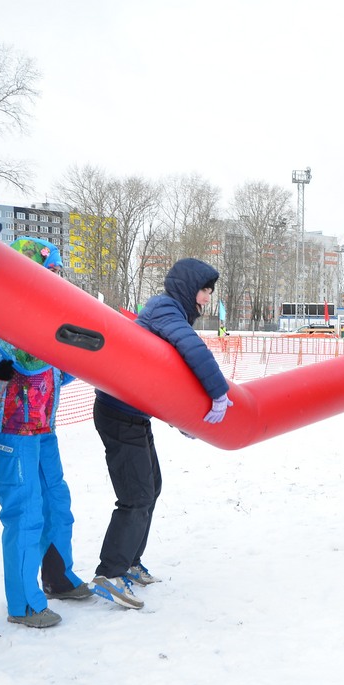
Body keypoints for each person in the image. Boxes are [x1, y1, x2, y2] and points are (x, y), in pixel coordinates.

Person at [90, 258, 233, 610]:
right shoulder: (165, 310)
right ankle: (109, 574)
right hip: (119, 414)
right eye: (204, 290)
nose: (206, 299)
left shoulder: (170, 312)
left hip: (135, 413)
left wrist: (184, 419)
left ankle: (130, 563)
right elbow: (193, 349)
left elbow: (160, 379)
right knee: (136, 496)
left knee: (151, 488)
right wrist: (217, 392)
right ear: (188, 287)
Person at [0, 235, 91, 629]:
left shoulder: (44, 320)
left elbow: (56, 375)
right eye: (48, 275)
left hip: (43, 429)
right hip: (10, 432)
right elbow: (27, 361)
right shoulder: (2, 316)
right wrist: (68, 338)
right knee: (25, 513)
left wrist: (94, 353)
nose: (54, 283)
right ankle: (24, 604)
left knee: (56, 503)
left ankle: (57, 577)